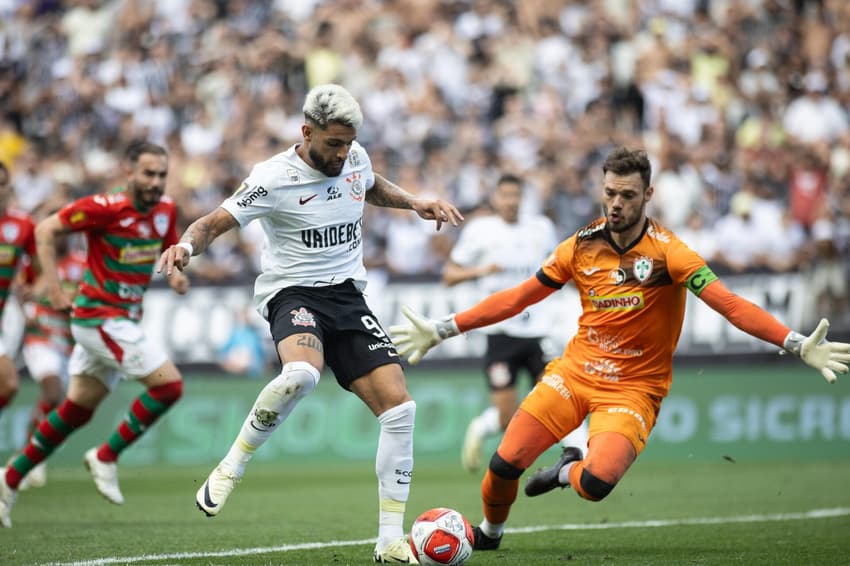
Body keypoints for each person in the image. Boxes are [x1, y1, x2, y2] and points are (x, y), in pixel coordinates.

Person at [390, 147, 850, 552]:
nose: (616, 203)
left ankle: (565, 471)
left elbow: (727, 303)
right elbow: (518, 297)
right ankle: (490, 533)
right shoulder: (580, 246)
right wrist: (445, 327)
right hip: (573, 374)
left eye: (627, 195)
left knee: (595, 484)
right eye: (610, 192)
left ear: (647, 196)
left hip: (633, 390)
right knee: (503, 464)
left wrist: (792, 342)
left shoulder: (671, 253)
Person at [156, 84, 463, 564]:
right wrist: (186, 248)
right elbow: (215, 222)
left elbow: (369, 182)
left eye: (348, 143)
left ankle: (389, 541)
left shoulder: (353, 156)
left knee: (401, 410)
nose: (342, 153)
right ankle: (233, 464)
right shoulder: (273, 177)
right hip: (292, 292)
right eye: (333, 144)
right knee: (301, 374)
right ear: (307, 132)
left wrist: (415, 202)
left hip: (347, 295)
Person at [0, 140, 190, 528]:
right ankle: (106, 456)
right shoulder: (104, 208)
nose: (155, 182)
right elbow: (45, 230)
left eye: (161, 175)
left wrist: (176, 273)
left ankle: (9, 479)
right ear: (129, 171)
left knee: (74, 412)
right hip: (99, 318)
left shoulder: (165, 210)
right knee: (169, 387)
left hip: (124, 320)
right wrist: (53, 288)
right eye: (148, 173)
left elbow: (167, 247)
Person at [443, 173, 588, 472]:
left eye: (515, 195)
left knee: (560, 398)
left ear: (522, 198)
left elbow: (559, 269)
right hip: (500, 333)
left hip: (539, 332)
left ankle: (583, 457)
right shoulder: (481, 231)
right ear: (496, 198)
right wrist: (482, 271)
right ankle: (482, 426)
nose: (510, 201)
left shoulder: (541, 229)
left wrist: (590, 292)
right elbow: (450, 275)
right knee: (507, 416)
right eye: (505, 195)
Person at [17, 234, 87, 489]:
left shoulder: (82, 263)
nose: (56, 238)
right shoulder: (36, 264)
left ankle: (32, 454)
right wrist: (25, 311)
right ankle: (27, 456)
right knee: (52, 389)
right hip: (41, 338)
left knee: (66, 407)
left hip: (69, 344)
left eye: (61, 232)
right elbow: (18, 289)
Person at [0, 161, 36, 423]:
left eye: (2, 184)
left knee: (7, 385)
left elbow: (35, 268)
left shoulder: (22, 224)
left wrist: (29, 288)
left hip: (5, 315)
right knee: (9, 382)